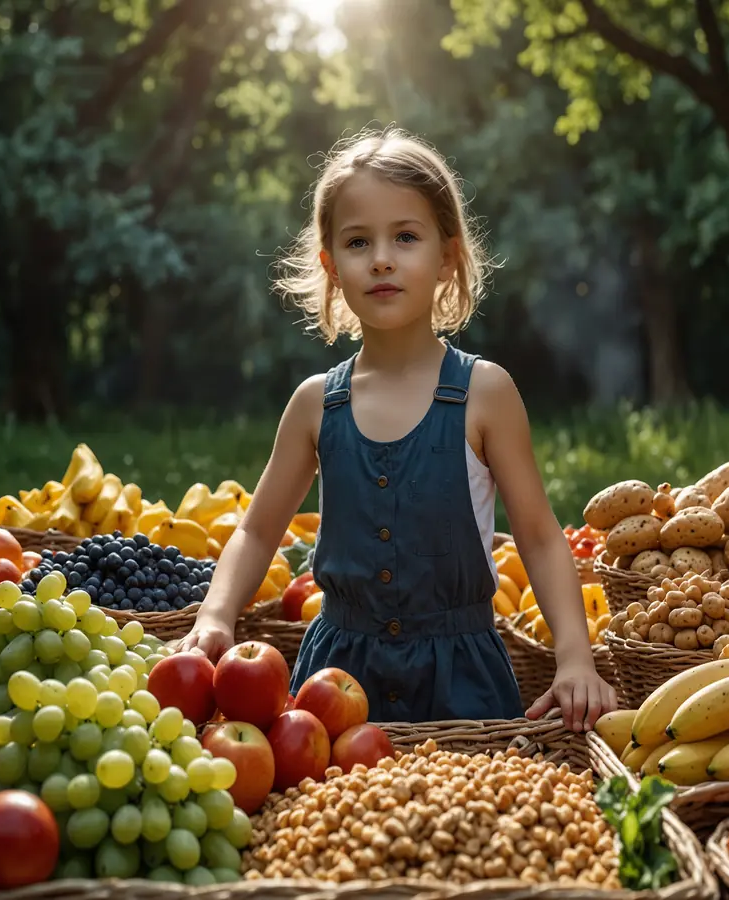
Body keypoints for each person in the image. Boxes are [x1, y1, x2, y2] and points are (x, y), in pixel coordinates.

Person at [177, 126, 617, 731]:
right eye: (358, 242)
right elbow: (256, 530)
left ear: (447, 256)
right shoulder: (314, 405)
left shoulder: (486, 394)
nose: (381, 258)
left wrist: (574, 657)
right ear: (331, 266)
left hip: (462, 681)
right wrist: (217, 614)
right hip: (335, 683)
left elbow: (540, 537)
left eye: (405, 237)